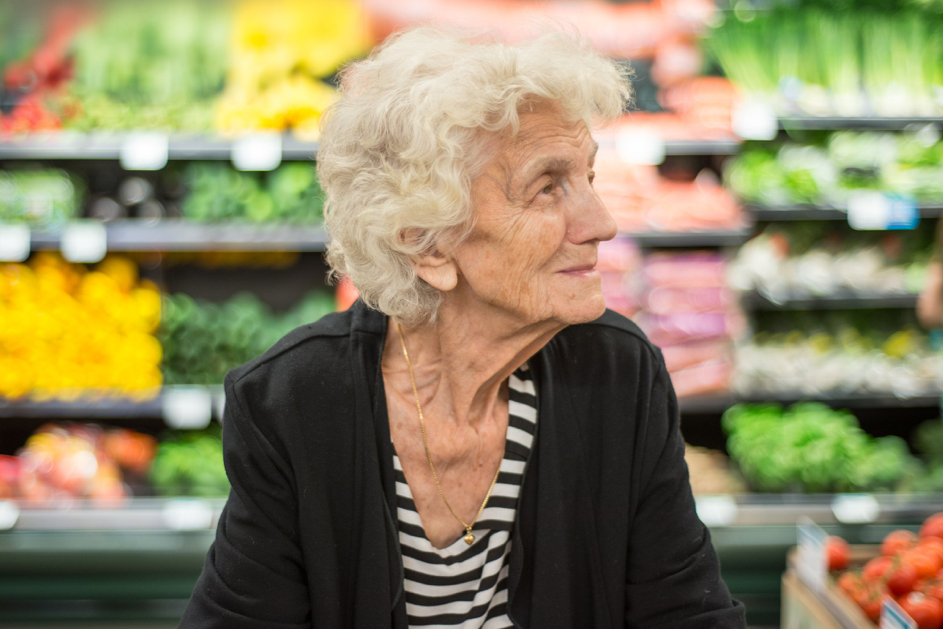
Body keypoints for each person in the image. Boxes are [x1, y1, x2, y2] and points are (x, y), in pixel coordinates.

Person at [180, 26, 747, 628]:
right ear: (428, 247)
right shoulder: (295, 400)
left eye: (589, 178)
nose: (602, 222)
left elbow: (687, 611)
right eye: (547, 188)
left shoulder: (618, 374)